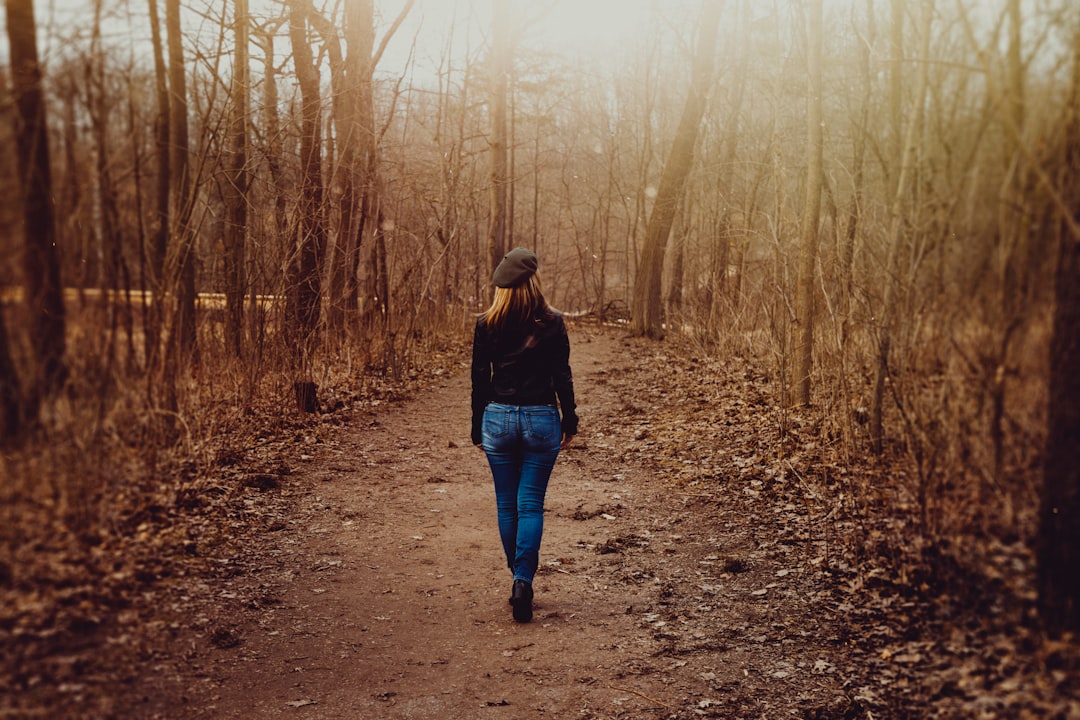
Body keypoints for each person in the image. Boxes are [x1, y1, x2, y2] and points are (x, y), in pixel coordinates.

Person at [471, 247, 578, 623]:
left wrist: (476, 424)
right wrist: (571, 420)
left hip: (497, 419)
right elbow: (562, 375)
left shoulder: (486, 323)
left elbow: (479, 379)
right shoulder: (552, 322)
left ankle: (517, 578)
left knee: (506, 504)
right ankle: (523, 579)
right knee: (530, 503)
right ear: (534, 282)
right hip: (541, 418)